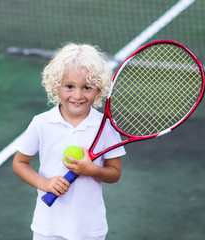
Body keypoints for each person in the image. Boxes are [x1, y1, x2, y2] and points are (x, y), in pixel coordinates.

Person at [12, 43, 126, 240]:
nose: (78, 95)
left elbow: (114, 173)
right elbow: (20, 163)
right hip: (48, 226)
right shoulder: (42, 123)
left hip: (90, 228)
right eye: (69, 86)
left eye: (87, 87)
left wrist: (92, 171)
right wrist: (45, 183)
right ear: (57, 86)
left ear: (99, 88)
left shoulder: (105, 126)